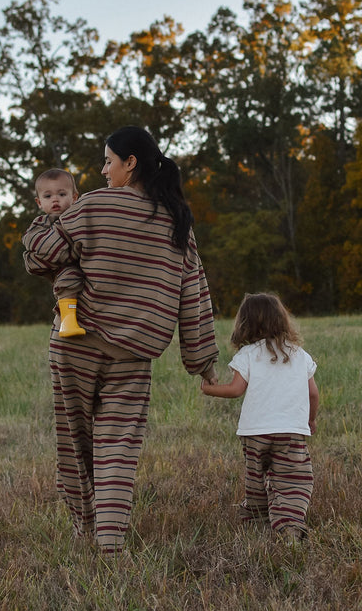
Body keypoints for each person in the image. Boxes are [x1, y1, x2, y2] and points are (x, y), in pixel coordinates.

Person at [22, 126, 219, 556]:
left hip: (75, 342)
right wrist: (201, 360)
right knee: (118, 449)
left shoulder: (94, 204)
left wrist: (35, 236)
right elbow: (194, 292)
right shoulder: (177, 220)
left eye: (108, 161)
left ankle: (85, 526)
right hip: (133, 354)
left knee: (76, 442)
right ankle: (110, 542)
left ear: (130, 163)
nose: (103, 170)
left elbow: (43, 256)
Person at [201, 292, 319, 542]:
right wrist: (311, 420)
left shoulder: (248, 354)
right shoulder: (299, 354)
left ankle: (256, 518)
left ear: (245, 324)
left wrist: (209, 389)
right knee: (292, 478)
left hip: (255, 432)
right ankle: (289, 524)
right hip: (291, 431)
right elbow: (313, 393)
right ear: (282, 319)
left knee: (256, 476)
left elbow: (235, 390)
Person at [32, 169, 85, 336]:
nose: (55, 199)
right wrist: (70, 252)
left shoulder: (78, 218)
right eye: (48, 196)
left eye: (62, 194)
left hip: (86, 267)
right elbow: (35, 241)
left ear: (74, 197)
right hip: (62, 269)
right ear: (39, 202)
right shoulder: (41, 224)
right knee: (69, 278)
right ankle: (68, 321)